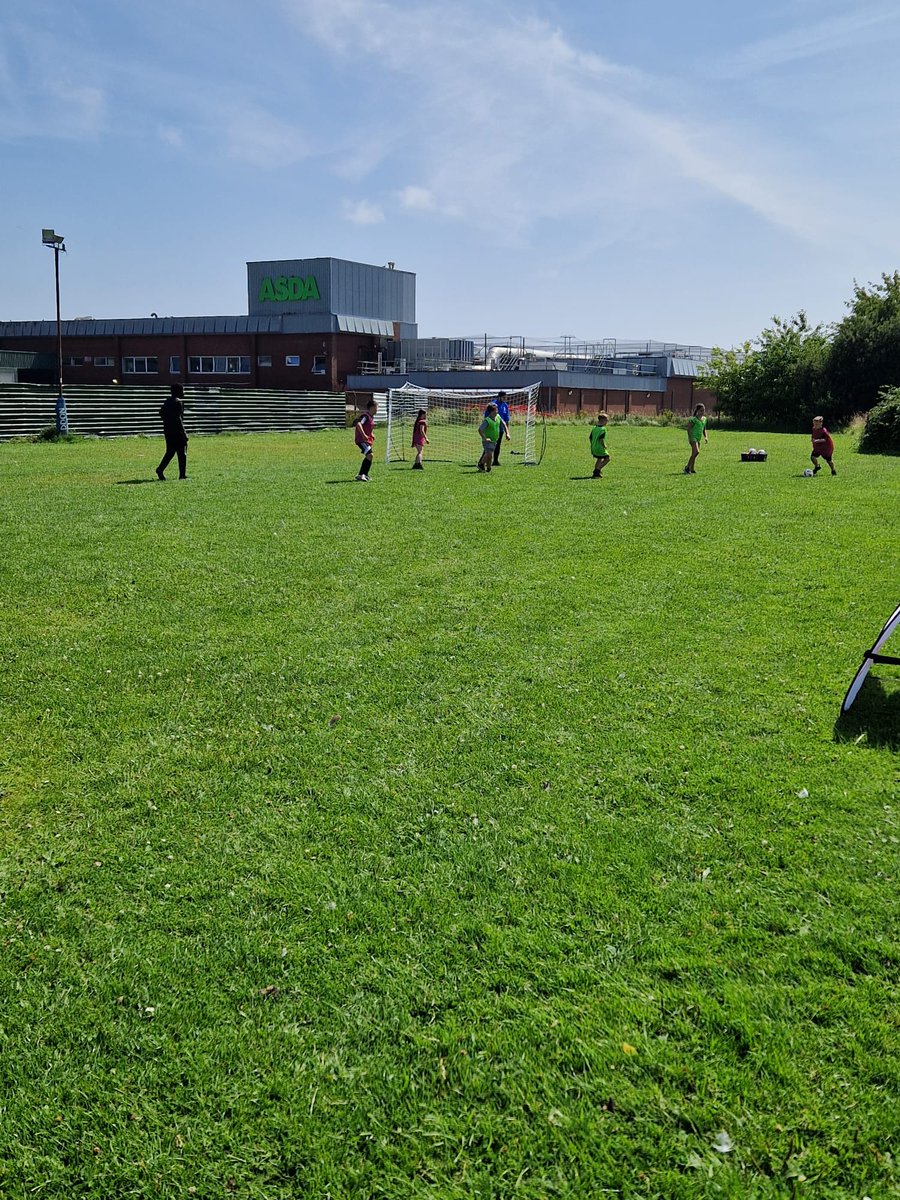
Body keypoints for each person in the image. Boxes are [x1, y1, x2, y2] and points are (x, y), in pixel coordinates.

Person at [156, 383, 188, 480]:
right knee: (182, 453)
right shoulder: (178, 402)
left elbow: (161, 413)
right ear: (178, 391)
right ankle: (182, 475)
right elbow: (179, 420)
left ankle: (160, 469)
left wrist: (168, 422)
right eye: (182, 390)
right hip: (177, 432)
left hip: (168, 431)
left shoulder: (167, 402)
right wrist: (184, 433)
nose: (183, 392)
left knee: (170, 452)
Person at [478, 403, 507, 472]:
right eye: (496, 410)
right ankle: (482, 465)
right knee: (489, 454)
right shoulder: (487, 420)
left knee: (489, 455)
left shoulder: (498, 417)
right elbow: (480, 430)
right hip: (487, 441)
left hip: (494, 440)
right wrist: (485, 438)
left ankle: (487, 468)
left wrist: (507, 433)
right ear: (492, 411)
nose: (497, 411)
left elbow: (504, 424)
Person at [354, 399, 377, 481]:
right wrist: (363, 435)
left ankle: (364, 474)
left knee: (370, 456)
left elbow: (368, 427)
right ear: (372, 407)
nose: (377, 409)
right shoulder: (365, 416)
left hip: (366, 440)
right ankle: (361, 474)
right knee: (370, 455)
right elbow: (359, 424)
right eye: (376, 407)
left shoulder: (371, 417)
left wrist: (371, 434)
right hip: (361, 440)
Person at [684, 403, 709, 474]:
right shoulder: (693, 419)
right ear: (697, 411)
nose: (702, 412)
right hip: (693, 438)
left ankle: (692, 469)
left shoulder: (704, 419)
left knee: (694, 454)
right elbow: (688, 428)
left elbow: (704, 429)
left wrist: (706, 437)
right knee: (696, 452)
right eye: (701, 410)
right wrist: (690, 438)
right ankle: (687, 467)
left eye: (703, 410)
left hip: (698, 438)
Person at [590, 410, 610, 478]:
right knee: (607, 458)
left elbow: (590, 438)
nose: (607, 422)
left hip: (594, 447)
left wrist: (592, 445)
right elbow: (601, 439)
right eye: (607, 420)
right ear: (603, 421)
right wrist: (604, 445)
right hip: (599, 447)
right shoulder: (603, 429)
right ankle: (597, 470)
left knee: (599, 459)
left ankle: (596, 474)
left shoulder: (594, 428)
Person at [492, 392, 511, 465]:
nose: (505, 399)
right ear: (499, 397)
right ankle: (482, 461)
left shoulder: (505, 405)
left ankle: (495, 461)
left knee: (498, 445)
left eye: (505, 397)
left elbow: (506, 419)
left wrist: (507, 432)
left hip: (500, 429)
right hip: (493, 429)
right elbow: (487, 417)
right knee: (490, 445)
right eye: (504, 397)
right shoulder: (493, 404)